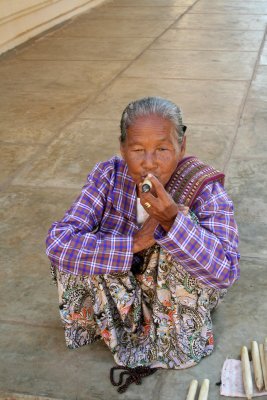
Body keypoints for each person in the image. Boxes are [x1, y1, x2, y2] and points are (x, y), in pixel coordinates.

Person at [46, 97, 240, 391]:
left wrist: (173, 221)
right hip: (120, 291)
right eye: (137, 150)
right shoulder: (108, 175)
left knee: (186, 227)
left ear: (182, 146)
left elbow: (224, 273)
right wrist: (134, 243)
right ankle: (115, 324)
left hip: (175, 304)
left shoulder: (204, 189)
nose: (149, 162)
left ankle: (169, 338)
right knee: (78, 249)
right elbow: (57, 243)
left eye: (162, 149)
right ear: (123, 148)